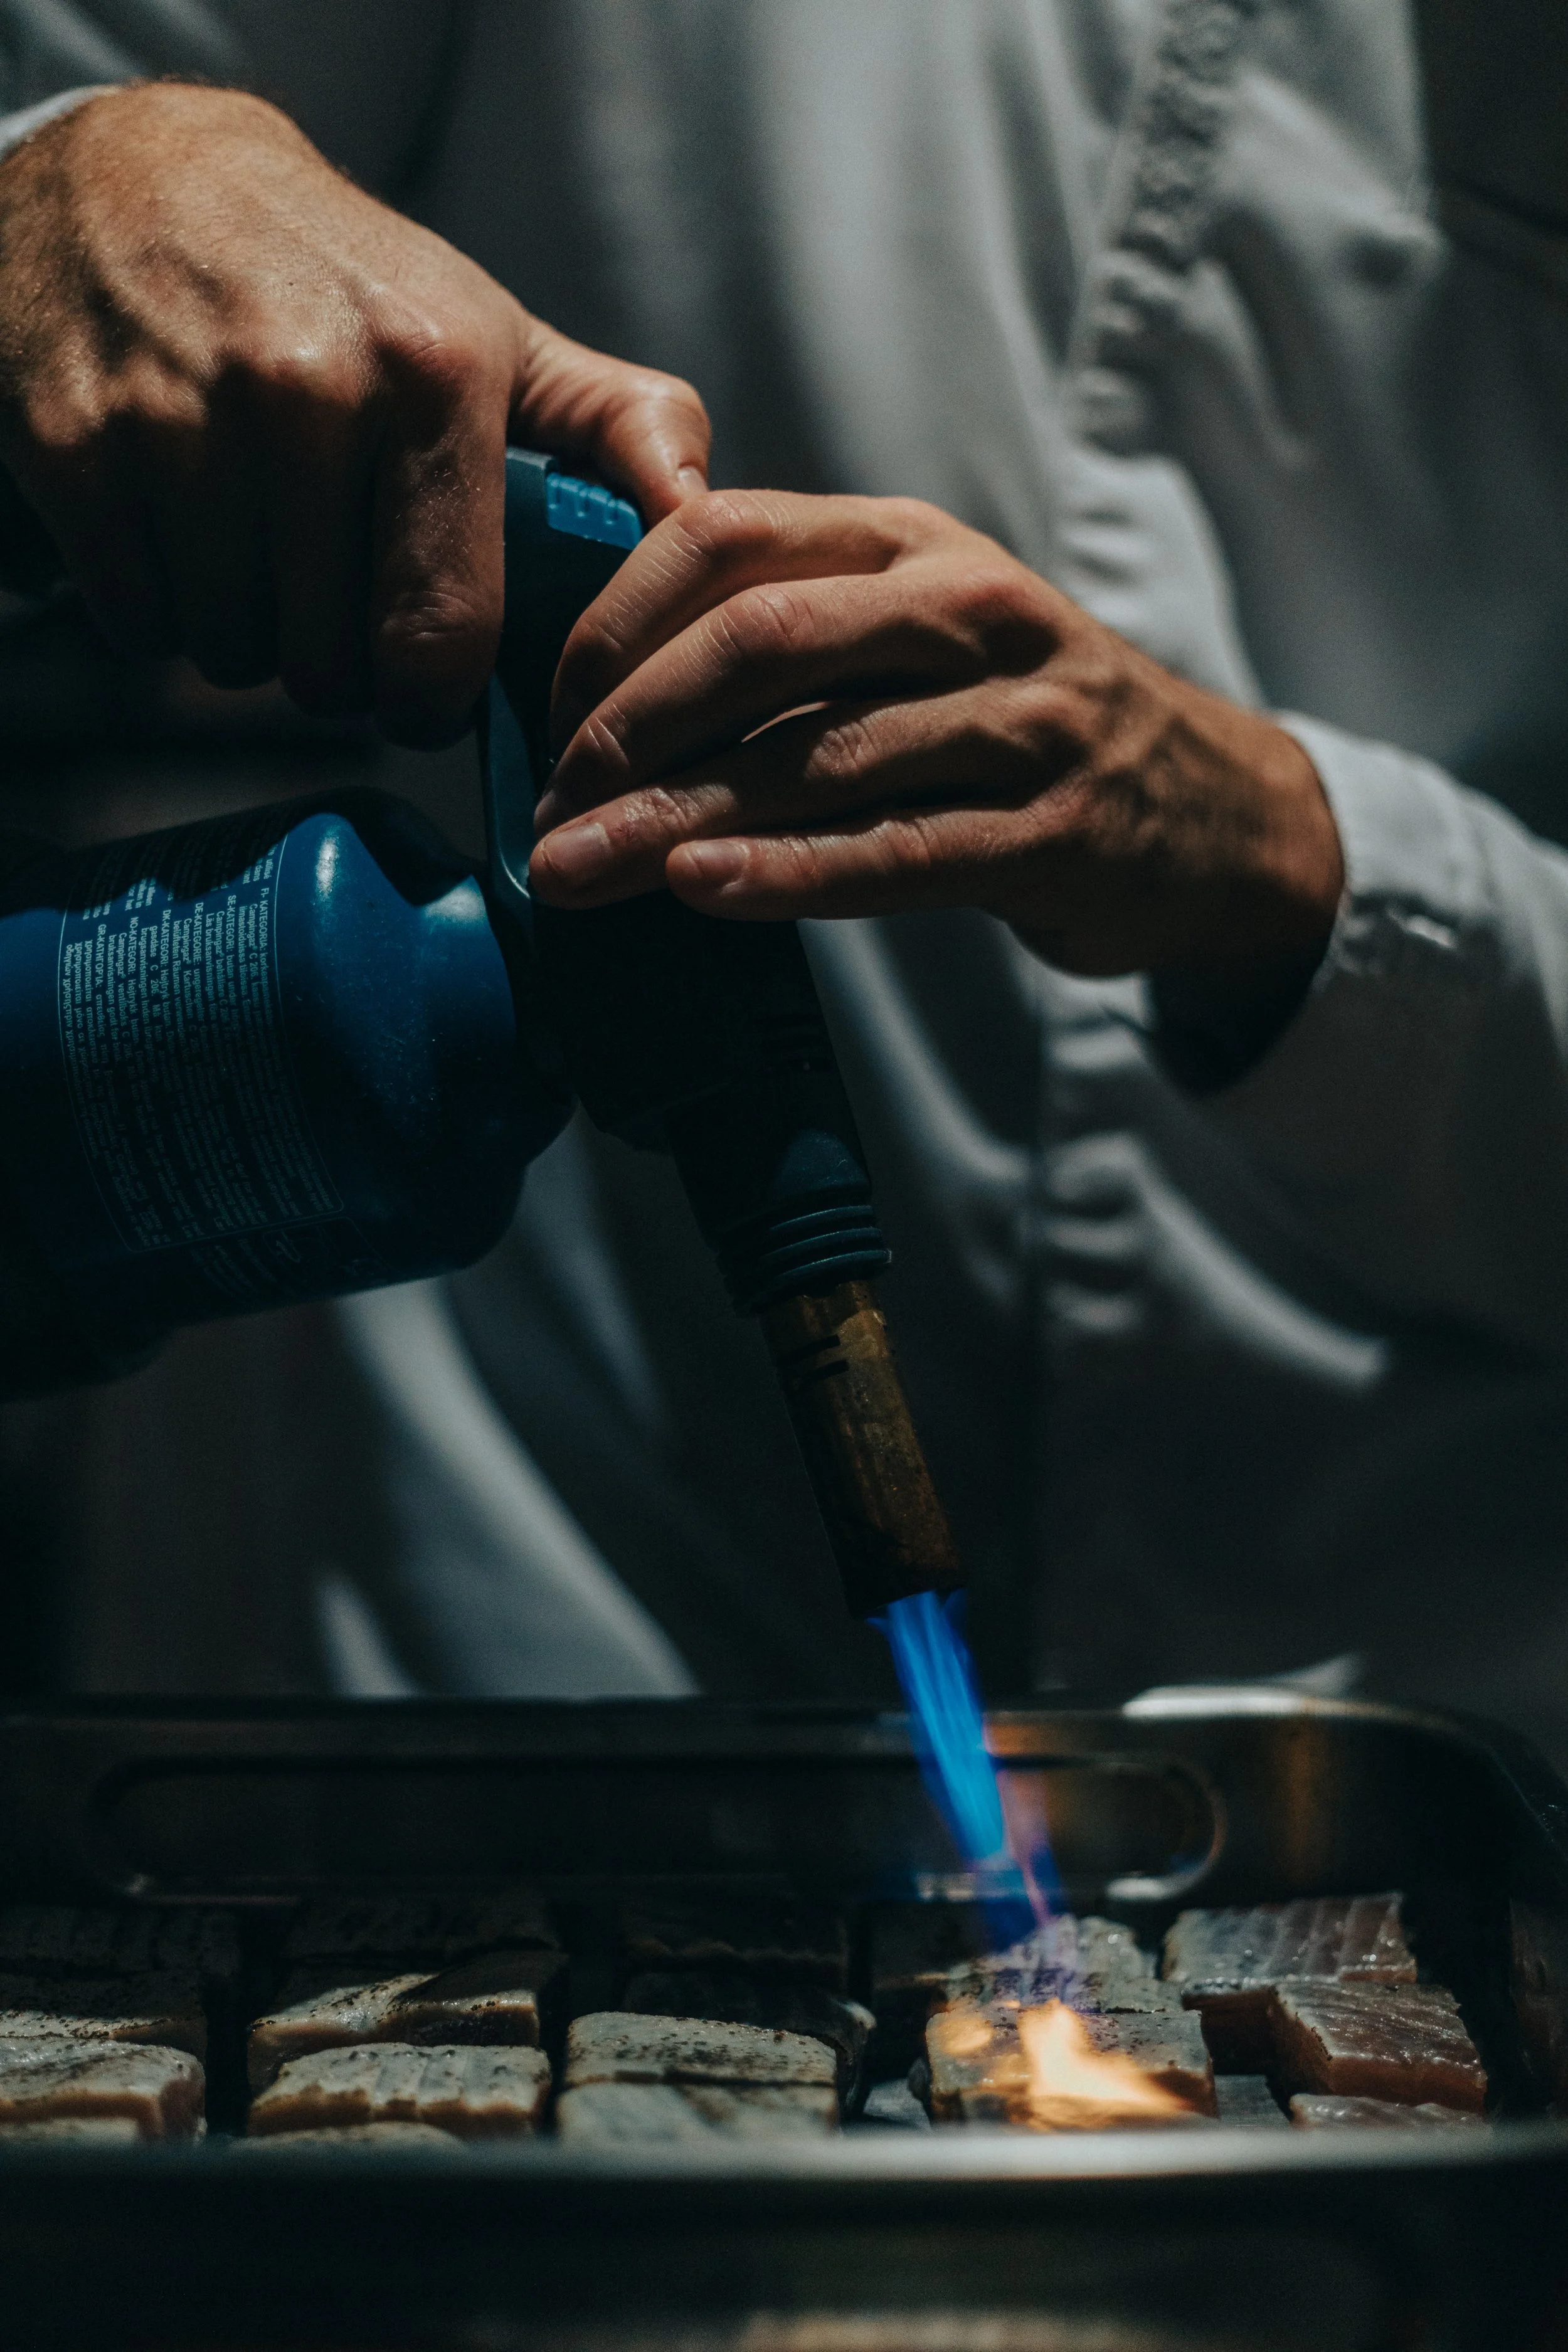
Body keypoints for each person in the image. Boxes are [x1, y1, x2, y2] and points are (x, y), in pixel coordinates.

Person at [0, 2, 1565, 1751]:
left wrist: (1304, 861)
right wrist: (70, 169)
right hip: (515, 1562)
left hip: (1384, 1670)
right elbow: (82, 120)